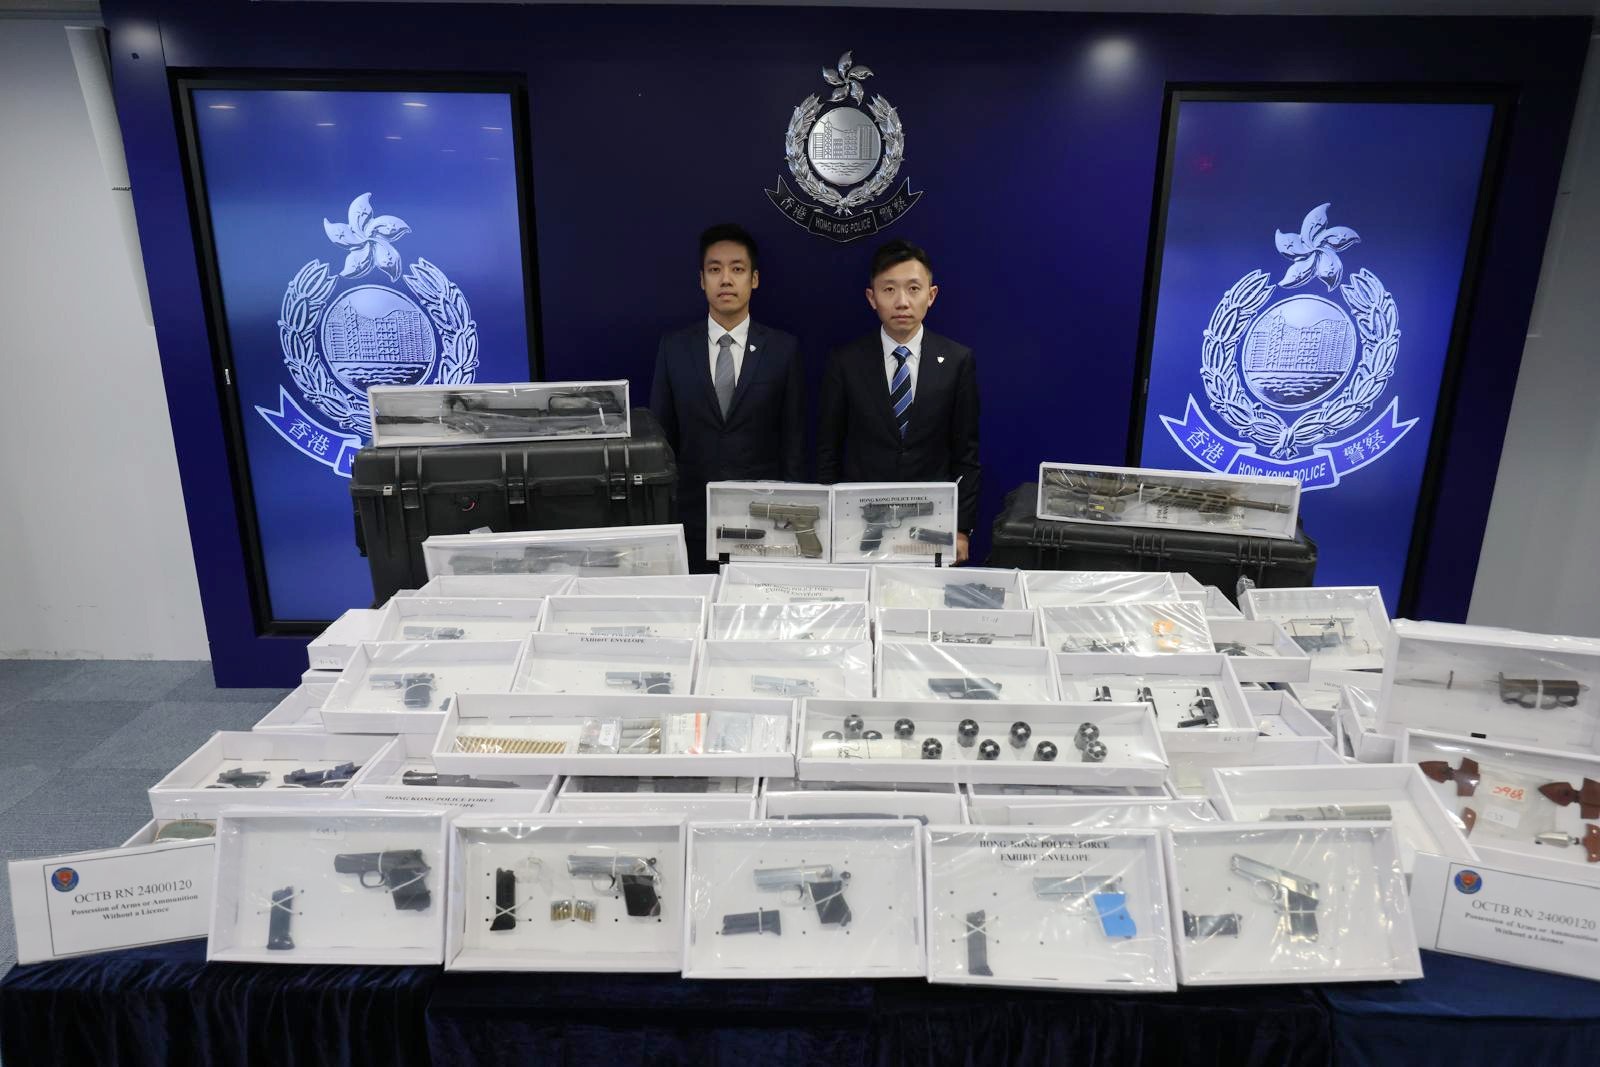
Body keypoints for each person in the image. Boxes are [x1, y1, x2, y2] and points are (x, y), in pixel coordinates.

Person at [650, 224, 806, 568]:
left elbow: (793, 439)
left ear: (754, 279)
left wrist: (791, 510)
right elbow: (661, 439)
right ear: (701, 279)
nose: (725, 280)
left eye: (737, 269)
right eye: (714, 270)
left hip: (763, 515)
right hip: (693, 516)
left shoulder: (782, 349)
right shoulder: (674, 348)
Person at [817, 238, 980, 561]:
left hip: (931, 521)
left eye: (913, 289)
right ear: (872, 297)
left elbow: (967, 453)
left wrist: (961, 529)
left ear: (931, 295)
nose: (902, 301)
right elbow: (828, 450)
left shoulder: (957, 360)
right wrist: (827, 522)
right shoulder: (846, 362)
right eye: (889, 289)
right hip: (858, 521)